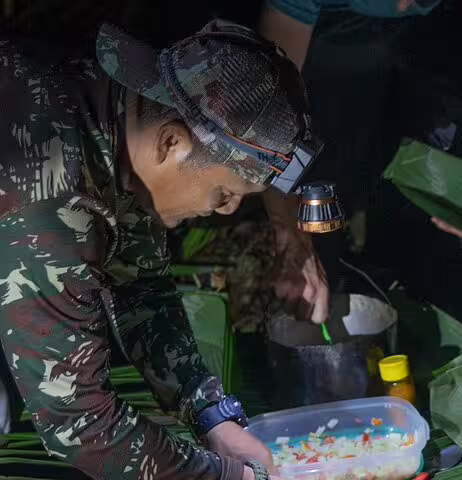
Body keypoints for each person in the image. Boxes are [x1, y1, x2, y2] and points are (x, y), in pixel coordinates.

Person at [0, 19, 327, 479]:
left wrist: (211, 414)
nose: (227, 210)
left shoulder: (121, 118)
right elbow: (83, 423)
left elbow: (142, 288)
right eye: (223, 194)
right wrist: (227, 476)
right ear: (172, 143)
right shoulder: (53, 197)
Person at [258, 0, 462, 309]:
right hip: (335, 33)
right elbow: (270, 108)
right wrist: (289, 236)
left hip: (437, 29)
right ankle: (325, 292)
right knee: (318, 179)